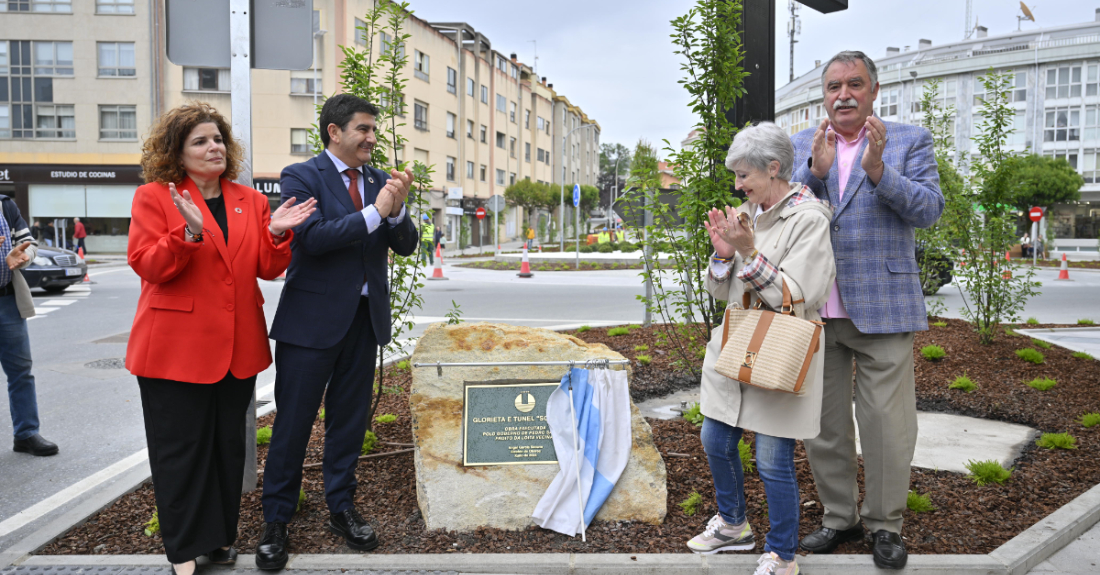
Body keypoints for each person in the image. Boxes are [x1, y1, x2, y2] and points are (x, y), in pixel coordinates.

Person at [126, 102, 316, 575]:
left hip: (236, 347)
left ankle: (218, 540)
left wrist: (274, 234)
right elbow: (148, 265)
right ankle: (184, 548)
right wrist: (187, 234)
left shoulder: (248, 200)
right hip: (174, 349)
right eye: (200, 141)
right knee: (181, 452)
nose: (214, 148)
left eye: (218, 140)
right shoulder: (154, 197)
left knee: (227, 450)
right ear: (177, 152)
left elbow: (268, 271)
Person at [789, 50, 944, 570]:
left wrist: (880, 172)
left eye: (855, 84)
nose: (843, 94)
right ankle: (839, 517)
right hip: (815, 308)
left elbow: (929, 211)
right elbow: (778, 213)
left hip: (883, 305)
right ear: (824, 95)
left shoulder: (909, 141)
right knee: (824, 424)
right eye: (834, 86)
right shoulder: (802, 147)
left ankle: (884, 524)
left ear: (875, 90)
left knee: (885, 423)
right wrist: (814, 175)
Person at [258, 94, 416, 570]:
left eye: (373, 130)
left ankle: (341, 507)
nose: (371, 138)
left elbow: (405, 245)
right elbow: (315, 237)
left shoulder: (377, 179)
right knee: (292, 424)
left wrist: (398, 210)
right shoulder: (301, 176)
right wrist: (375, 212)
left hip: (363, 324)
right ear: (334, 131)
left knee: (347, 423)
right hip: (310, 325)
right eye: (363, 129)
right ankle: (277, 519)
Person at [688, 122, 835, 575]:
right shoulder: (745, 214)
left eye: (744, 175)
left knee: (773, 459)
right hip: (736, 346)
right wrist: (723, 258)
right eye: (735, 176)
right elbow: (719, 293)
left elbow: (795, 295)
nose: (737, 185)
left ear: (774, 169)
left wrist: (749, 255)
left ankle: (782, 553)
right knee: (714, 438)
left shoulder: (809, 220)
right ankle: (733, 525)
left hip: (780, 353)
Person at [2, 197, 56, 457]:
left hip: (7, 301)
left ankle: (26, 433)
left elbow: (29, 243)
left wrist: (24, 256)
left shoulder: (4, 206)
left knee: (21, 371)